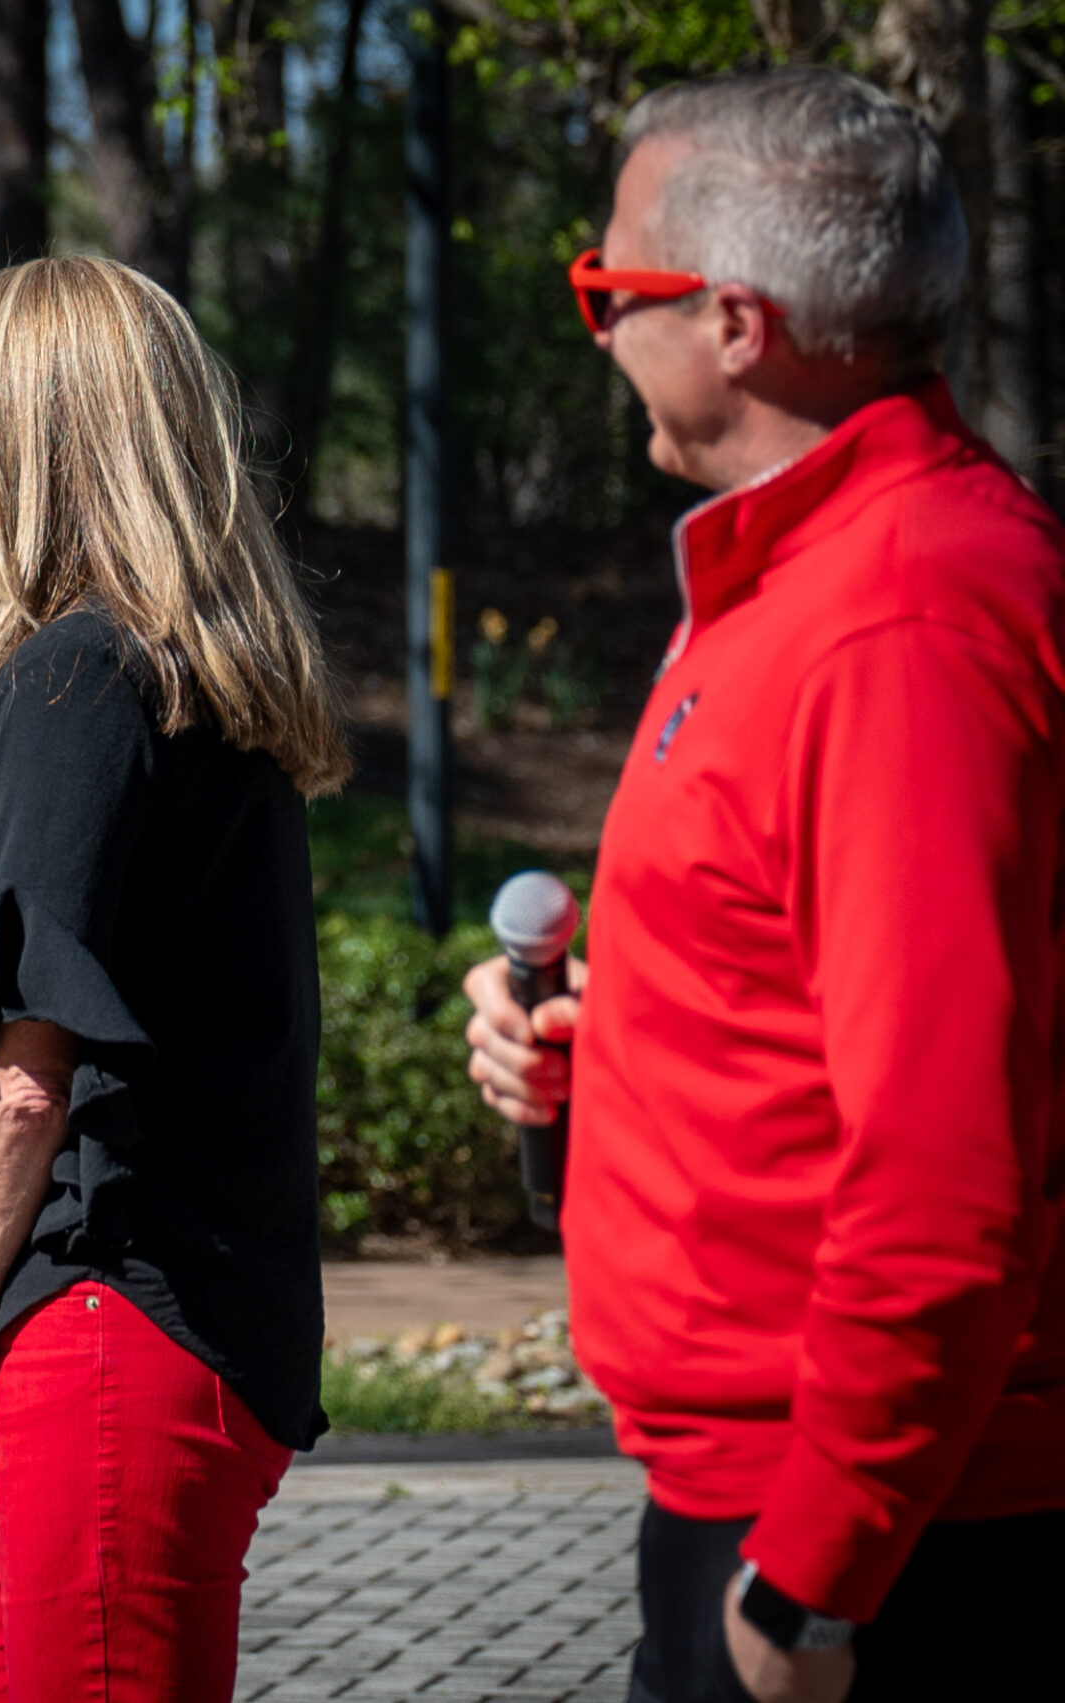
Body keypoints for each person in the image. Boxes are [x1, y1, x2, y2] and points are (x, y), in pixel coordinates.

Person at [460, 68, 1065, 1703]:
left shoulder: (903, 621)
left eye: (607, 288)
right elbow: (813, 999)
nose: (593, 329)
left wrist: (812, 1578)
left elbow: (949, 1158)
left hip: (870, 1529)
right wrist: (610, 1045)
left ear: (738, 320)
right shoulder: (792, 573)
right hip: (776, 1488)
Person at [0, 255, 351, 1701]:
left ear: (24, 437)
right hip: (153, 1324)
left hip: (103, 1326)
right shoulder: (176, 680)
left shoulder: (74, 681)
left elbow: (24, 1082)